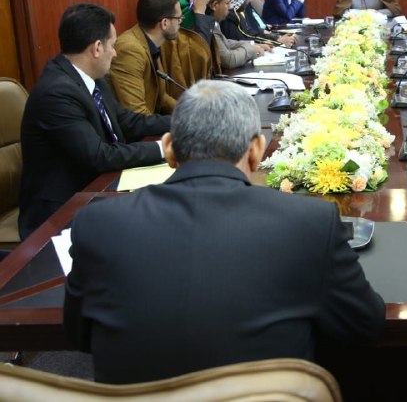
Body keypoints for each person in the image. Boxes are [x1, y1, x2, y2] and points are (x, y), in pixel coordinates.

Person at [64, 79, 386, 384]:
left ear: (169, 148)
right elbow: (365, 323)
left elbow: (79, 337)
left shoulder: (96, 224)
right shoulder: (311, 223)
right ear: (256, 150)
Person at [18, 3, 169, 239]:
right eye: (113, 45)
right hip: (59, 212)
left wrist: (183, 122)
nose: (115, 53)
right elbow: (99, 156)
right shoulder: (56, 92)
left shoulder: (90, 77)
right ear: (97, 48)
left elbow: (126, 121)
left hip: (98, 188)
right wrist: (165, 148)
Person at [109, 0, 215, 115]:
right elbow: (137, 115)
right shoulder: (130, 50)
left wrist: (191, 113)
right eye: (179, 19)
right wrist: (184, 121)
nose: (180, 23)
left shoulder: (152, 43)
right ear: (165, 23)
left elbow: (161, 97)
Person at [200, 0, 266, 68]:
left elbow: (225, 42)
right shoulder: (208, 27)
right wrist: (252, 49)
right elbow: (229, 60)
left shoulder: (212, 22)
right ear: (214, 5)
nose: (230, 7)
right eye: (227, 3)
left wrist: (252, 45)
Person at [220, 0, 296, 47]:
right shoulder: (229, 17)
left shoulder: (238, 13)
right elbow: (244, 41)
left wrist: (276, 38)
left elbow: (252, 34)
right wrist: (277, 42)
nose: (250, 0)